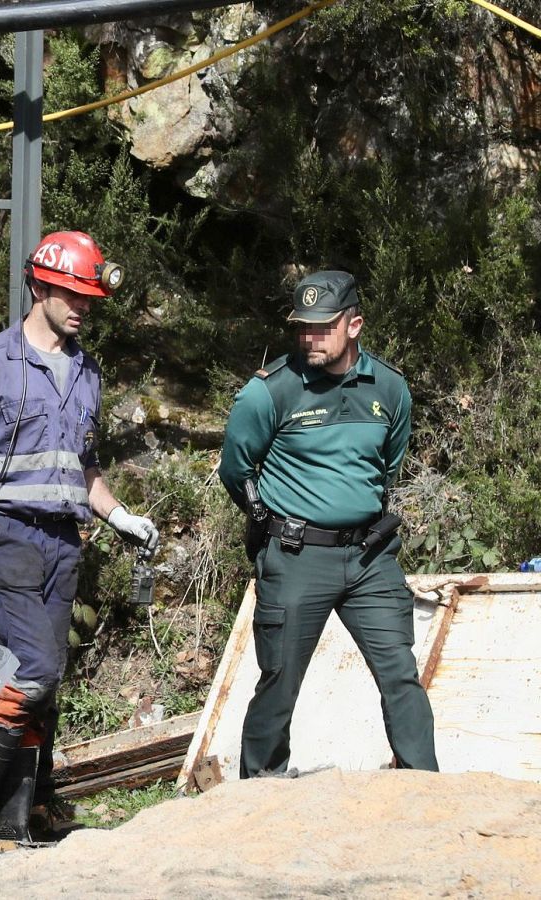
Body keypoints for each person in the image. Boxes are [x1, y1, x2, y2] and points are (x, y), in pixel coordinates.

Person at [0, 231, 158, 844]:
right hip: (4, 534)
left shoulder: (86, 371)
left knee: (42, 690)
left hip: (62, 541)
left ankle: (15, 820)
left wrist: (119, 515)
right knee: (37, 667)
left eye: (88, 296)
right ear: (38, 287)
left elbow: (85, 465)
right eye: (69, 293)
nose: (81, 305)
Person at [218, 270, 437, 779]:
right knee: (279, 679)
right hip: (296, 557)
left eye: (322, 327)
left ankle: (423, 785)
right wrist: (273, 521)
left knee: (401, 674)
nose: (309, 338)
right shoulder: (269, 392)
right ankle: (261, 789)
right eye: (302, 327)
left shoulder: (390, 388)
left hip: (370, 558)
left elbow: (387, 467)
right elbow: (236, 469)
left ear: (354, 324)